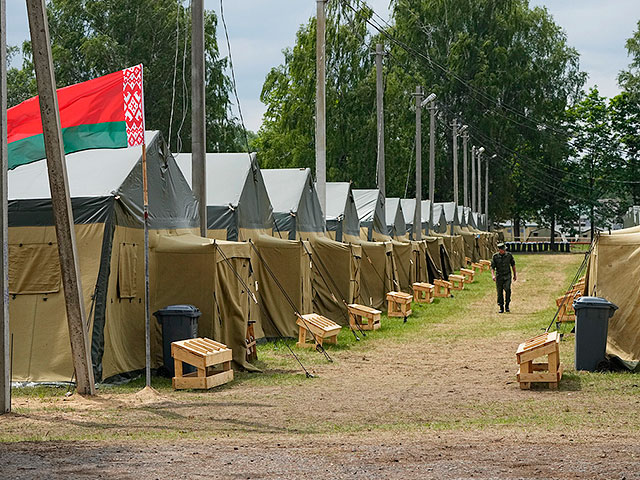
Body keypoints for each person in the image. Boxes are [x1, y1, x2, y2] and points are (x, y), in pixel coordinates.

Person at [491, 242, 517, 313]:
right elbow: (492, 267)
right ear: (499, 250)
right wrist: (493, 275)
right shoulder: (495, 257)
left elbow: (513, 265)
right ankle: (501, 307)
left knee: (507, 289)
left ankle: (507, 305)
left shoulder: (509, 255)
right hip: (499, 276)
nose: (504, 251)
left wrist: (515, 275)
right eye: (502, 249)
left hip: (507, 275)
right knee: (499, 292)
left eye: (504, 249)